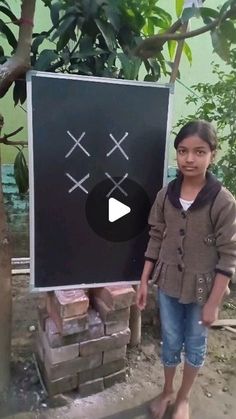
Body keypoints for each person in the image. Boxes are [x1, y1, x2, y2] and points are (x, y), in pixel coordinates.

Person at [136, 120, 236, 419]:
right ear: (176, 154)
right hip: (167, 283)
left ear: (212, 155)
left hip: (203, 289)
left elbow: (229, 255)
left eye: (199, 152)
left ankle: (183, 397)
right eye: (182, 151)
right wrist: (143, 281)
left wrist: (214, 303)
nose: (189, 159)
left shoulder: (223, 201)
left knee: (195, 342)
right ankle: (167, 390)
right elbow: (155, 237)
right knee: (170, 338)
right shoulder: (166, 195)